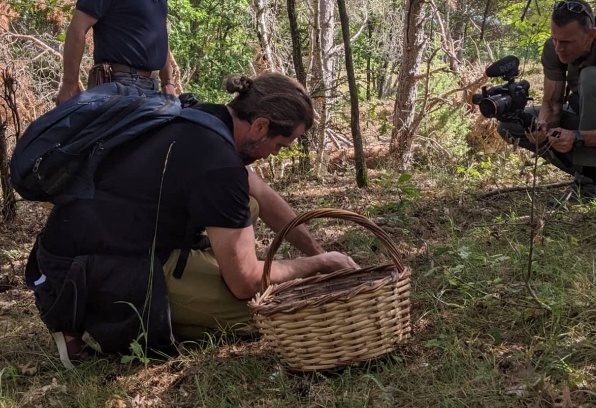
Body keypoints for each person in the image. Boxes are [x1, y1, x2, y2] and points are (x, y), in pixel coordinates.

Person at [26, 73, 358, 368]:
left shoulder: (200, 116)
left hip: (70, 247)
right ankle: (86, 314)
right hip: (97, 270)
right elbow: (245, 282)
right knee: (265, 313)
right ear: (260, 126)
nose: (276, 153)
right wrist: (320, 265)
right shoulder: (219, 163)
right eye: (279, 144)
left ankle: (183, 281)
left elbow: (265, 197)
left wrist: (314, 248)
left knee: (251, 201)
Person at [498, 0, 596, 206]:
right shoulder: (555, 47)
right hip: (584, 115)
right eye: (554, 39)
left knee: (592, 76)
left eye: (566, 42)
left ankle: (587, 182)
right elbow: (553, 103)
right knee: (512, 124)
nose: (558, 48)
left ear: (590, 35)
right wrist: (542, 128)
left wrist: (578, 137)